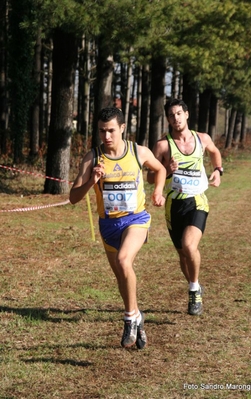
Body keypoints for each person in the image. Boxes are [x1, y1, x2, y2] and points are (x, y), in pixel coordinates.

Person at [70, 107, 166, 349]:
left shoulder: (138, 152)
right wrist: (91, 180)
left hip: (136, 220)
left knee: (125, 261)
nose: (106, 136)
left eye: (111, 130)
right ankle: (136, 316)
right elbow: (73, 197)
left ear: (122, 128)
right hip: (108, 225)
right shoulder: (92, 158)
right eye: (102, 131)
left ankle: (128, 319)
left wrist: (157, 191)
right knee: (122, 278)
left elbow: (160, 169)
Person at [147, 98, 222, 316]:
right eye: (171, 115)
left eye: (179, 113)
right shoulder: (162, 145)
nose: (176, 118)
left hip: (197, 201)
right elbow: (151, 177)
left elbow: (215, 152)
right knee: (182, 254)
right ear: (168, 119)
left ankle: (193, 291)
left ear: (186, 114)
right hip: (173, 205)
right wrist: (166, 170)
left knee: (190, 246)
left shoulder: (202, 138)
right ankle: (195, 284)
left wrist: (218, 170)